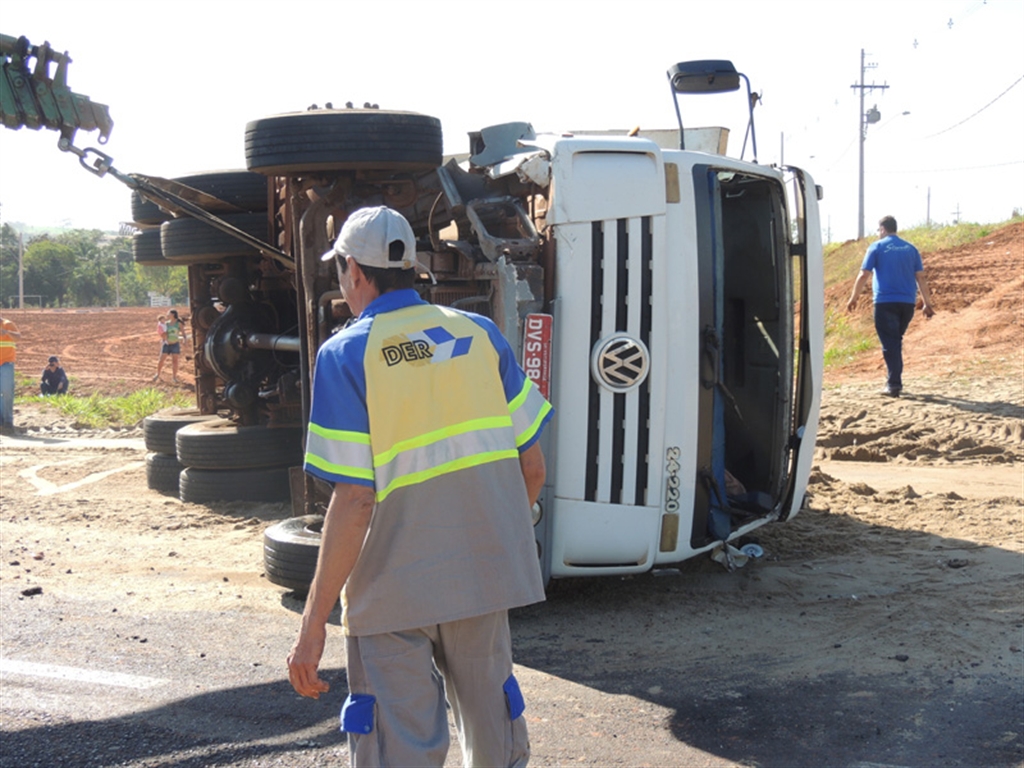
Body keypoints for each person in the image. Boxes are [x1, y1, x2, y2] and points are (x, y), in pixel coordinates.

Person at [288, 206, 553, 767]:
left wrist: (313, 625)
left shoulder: (346, 354)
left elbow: (356, 498)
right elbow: (532, 470)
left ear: (354, 272)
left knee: (398, 749)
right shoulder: (478, 335)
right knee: (495, 741)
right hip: (482, 578)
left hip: (392, 593)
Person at [847, 215, 935, 396]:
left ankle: (894, 385)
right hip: (907, 304)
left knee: (891, 344)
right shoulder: (911, 249)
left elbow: (864, 274)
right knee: (895, 341)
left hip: (885, 302)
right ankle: (894, 381)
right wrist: (927, 303)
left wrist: (854, 297)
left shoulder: (877, 247)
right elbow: (921, 277)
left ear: (882, 229)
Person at [153, 309, 186, 383]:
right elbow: (162, 332)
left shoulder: (178, 323)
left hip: (175, 344)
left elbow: (183, 332)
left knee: (175, 361)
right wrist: (163, 337)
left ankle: (174, 377)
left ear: (173, 314)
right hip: (166, 344)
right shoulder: (166, 323)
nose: (167, 315)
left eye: (169, 314)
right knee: (161, 360)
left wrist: (185, 339)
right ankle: (157, 374)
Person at [1, 315, 22, 429]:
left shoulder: (8, 324)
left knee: (7, 391)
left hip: (6, 363)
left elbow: (18, 338)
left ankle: (8, 420)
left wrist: (7, 332)